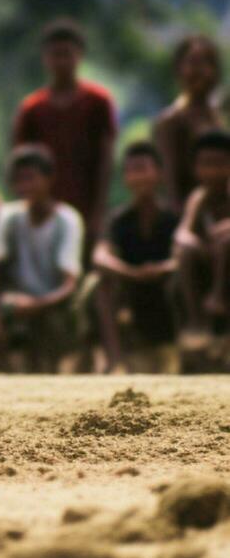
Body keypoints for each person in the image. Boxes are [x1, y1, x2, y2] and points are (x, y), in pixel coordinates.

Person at [11, 19, 117, 257]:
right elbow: (20, 165)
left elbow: (106, 160)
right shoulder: (32, 108)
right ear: (44, 58)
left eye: (67, 54)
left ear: (79, 56)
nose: (61, 61)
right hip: (44, 211)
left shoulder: (98, 101)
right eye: (55, 54)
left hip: (87, 207)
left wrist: (98, 214)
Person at [0, 145, 84, 373]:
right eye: (19, 180)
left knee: (55, 322)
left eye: (31, 178)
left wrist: (37, 305)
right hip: (17, 303)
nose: (24, 186)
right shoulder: (8, 216)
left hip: (54, 303)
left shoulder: (67, 219)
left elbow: (70, 283)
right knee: (3, 312)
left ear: (49, 179)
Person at [92, 142, 179, 373]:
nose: (137, 176)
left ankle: (190, 351)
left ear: (159, 174)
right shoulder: (118, 220)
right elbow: (100, 256)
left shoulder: (173, 217)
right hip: (132, 289)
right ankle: (115, 360)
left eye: (143, 168)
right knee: (101, 285)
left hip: (166, 290)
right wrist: (131, 273)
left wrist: (163, 269)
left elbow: (183, 256)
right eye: (131, 170)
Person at [173, 129, 230, 346]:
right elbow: (182, 232)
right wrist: (190, 241)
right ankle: (197, 323)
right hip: (209, 262)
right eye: (206, 164)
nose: (213, 171)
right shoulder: (199, 198)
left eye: (219, 163)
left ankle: (218, 297)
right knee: (185, 251)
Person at [154, 35, 223, 209]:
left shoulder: (218, 116)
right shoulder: (171, 121)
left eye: (206, 63)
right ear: (179, 69)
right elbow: (170, 185)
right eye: (193, 63)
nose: (200, 71)